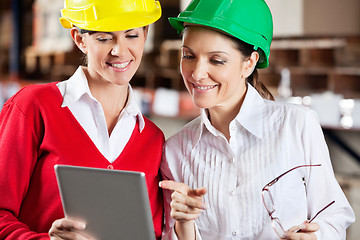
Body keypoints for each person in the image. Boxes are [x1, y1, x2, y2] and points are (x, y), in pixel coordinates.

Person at [160, 0, 355, 239]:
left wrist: (315, 236)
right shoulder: (175, 151)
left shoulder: (297, 126)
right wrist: (184, 226)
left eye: (216, 60)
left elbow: (334, 216)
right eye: (188, 55)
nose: (197, 73)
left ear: (249, 63)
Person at [0, 0, 164, 239]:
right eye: (104, 38)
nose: (119, 50)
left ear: (145, 34)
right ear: (79, 39)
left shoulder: (152, 139)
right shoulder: (35, 107)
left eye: (131, 35)